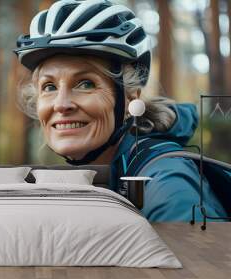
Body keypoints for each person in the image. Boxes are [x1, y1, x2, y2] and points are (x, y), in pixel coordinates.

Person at [13, 0, 227, 221]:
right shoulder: (106, 174)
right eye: (49, 87)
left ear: (129, 99)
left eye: (85, 84)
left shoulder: (164, 178)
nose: (61, 104)